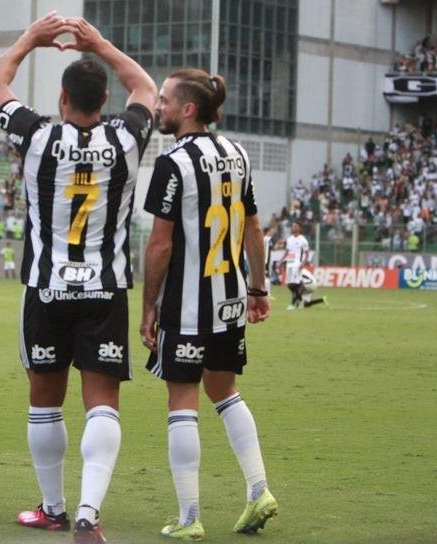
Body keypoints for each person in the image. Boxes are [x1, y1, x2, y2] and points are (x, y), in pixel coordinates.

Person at [0, 12, 156, 544]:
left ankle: (53, 508)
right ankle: (87, 512)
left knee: (44, 400)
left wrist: (31, 37)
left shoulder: (36, 138)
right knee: (101, 400)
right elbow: (145, 85)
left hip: (45, 285)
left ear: (62, 99)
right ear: (104, 101)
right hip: (104, 288)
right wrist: (98, 41)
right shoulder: (127, 138)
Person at [140, 68, 278, 540]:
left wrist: (147, 309)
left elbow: (160, 246)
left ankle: (189, 517)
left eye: (163, 99)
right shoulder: (238, 155)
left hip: (188, 303)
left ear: (188, 109)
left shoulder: (172, 163)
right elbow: (254, 228)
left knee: (183, 400)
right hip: (231, 299)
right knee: (226, 391)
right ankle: (259, 489)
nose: (157, 106)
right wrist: (258, 289)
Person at [283, 223, 310, 310]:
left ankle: (293, 303)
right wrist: (281, 261)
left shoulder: (303, 240)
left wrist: (303, 263)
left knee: (295, 283)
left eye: (295, 226)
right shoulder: (289, 239)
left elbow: (306, 253)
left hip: (297, 264)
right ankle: (301, 298)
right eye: (293, 226)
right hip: (289, 263)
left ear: (299, 228)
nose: (293, 227)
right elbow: (287, 252)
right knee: (289, 284)